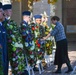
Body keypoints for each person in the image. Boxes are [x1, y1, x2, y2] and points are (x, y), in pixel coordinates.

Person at [3, 4, 27, 75]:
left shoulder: (11, 22)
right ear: (5, 12)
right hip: (8, 47)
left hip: (15, 48)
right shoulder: (4, 22)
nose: (11, 12)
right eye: (10, 11)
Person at [0, 2, 8, 75]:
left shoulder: (2, 25)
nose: (3, 13)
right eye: (0, 11)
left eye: (2, 11)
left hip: (4, 54)